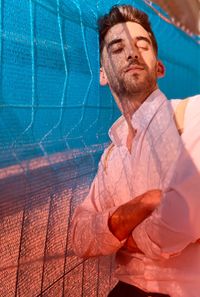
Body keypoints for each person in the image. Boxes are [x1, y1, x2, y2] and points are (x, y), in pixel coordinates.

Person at [71, 5, 200, 297]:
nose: (131, 53)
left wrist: (116, 234)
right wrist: (145, 202)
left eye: (141, 45)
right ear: (103, 74)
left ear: (159, 67)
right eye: (117, 48)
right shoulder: (111, 158)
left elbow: (177, 224)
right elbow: (79, 236)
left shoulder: (193, 115)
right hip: (125, 290)